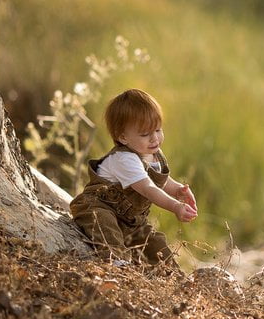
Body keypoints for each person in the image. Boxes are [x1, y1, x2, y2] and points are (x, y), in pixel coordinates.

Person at [69, 89, 198, 266]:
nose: (155, 139)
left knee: (155, 244)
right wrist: (175, 206)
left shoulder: (153, 153)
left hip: (131, 221)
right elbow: (147, 188)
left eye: (158, 130)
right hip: (99, 208)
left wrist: (178, 190)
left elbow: (161, 181)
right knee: (105, 225)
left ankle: (173, 277)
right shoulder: (124, 159)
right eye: (145, 134)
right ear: (123, 137)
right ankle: (118, 265)